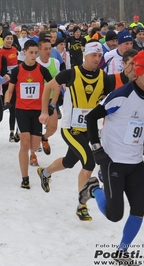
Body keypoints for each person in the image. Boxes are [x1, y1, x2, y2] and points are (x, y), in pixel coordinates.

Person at [82, 50, 144, 264]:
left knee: (139, 210)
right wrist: (97, 150)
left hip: (135, 164)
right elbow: (91, 118)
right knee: (114, 215)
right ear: (139, 72)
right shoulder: (122, 95)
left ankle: (122, 252)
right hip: (113, 161)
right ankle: (93, 189)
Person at [38, 41, 113, 222]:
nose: (97, 59)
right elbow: (48, 86)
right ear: (85, 55)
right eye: (93, 55)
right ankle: (82, 205)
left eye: (99, 56)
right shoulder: (71, 73)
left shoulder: (105, 78)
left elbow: (109, 103)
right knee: (88, 162)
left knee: (69, 161)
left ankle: (45, 173)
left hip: (90, 129)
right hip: (71, 128)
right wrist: (44, 111)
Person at [4, 40, 52, 188]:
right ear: (24, 52)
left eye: (35, 52)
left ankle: (22, 135)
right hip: (22, 110)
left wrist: (51, 104)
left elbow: (54, 85)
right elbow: (10, 90)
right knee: (24, 145)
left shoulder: (42, 70)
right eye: (30, 52)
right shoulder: (17, 70)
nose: (33, 55)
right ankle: (25, 178)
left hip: (37, 111)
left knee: (34, 145)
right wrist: (7, 102)